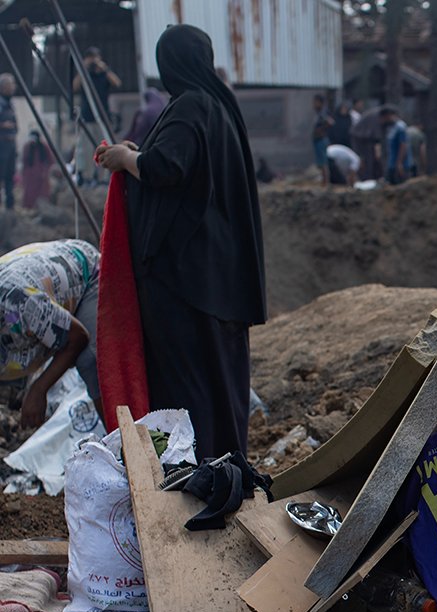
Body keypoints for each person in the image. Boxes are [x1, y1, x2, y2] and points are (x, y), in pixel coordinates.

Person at [95, 24, 266, 460]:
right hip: (218, 276)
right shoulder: (218, 106)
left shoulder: (189, 105)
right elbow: (183, 169)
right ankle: (225, 466)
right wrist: (137, 154)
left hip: (183, 281)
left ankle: (195, 471)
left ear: (168, 62)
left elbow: (166, 168)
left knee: (185, 387)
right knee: (219, 379)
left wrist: (127, 158)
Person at [0, 240, 101, 428]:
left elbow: (78, 337)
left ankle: (121, 435)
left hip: (85, 274)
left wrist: (39, 389)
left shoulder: (20, 303)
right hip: (38, 284)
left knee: (90, 361)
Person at [72, 47, 121, 186]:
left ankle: (103, 177)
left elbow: (117, 83)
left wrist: (104, 68)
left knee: (103, 148)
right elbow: (74, 87)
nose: (93, 61)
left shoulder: (103, 74)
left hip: (103, 118)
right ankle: (87, 177)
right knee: (86, 149)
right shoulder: (85, 75)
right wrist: (83, 68)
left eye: (95, 57)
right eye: (90, 58)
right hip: (87, 117)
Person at [350, 103, 398, 181]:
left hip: (369, 139)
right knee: (366, 161)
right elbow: (376, 139)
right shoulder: (376, 117)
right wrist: (378, 153)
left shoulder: (385, 121)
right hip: (360, 139)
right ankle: (366, 180)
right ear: (387, 115)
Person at [21, 132, 52, 209]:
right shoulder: (27, 147)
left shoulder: (44, 147)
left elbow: (50, 160)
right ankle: (29, 208)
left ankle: (42, 208)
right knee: (29, 192)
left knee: (42, 191)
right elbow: (24, 161)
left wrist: (45, 170)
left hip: (41, 173)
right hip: (30, 174)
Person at [0, 74, 16, 210]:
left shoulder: (10, 104)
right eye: (10, 85)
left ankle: (10, 206)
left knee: (10, 175)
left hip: (10, 143)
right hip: (2, 143)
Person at [311, 94, 333, 185]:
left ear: (320, 103)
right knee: (320, 162)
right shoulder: (318, 113)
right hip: (318, 139)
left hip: (321, 140)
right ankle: (324, 181)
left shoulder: (323, 113)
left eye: (315, 102)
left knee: (323, 162)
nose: (313, 104)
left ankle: (326, 182)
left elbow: (330, 122)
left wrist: (321, 130)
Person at [385, 117, 408, 184]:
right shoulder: (391, 127)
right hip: (392, 164)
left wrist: (399, 163)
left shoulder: (400, 127)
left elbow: (403, 145)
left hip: (400, 165)